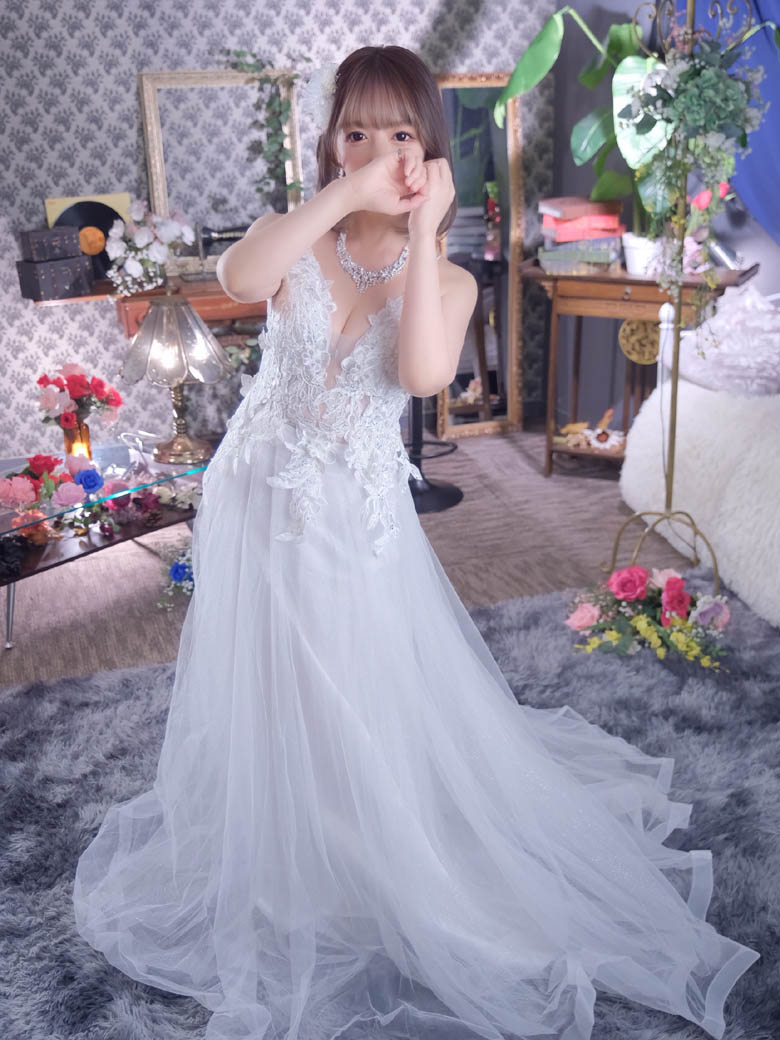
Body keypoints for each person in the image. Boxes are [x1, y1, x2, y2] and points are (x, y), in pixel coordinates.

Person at [72, 45, 760, 1040]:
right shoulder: (294, 239)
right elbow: (236, 273)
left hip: (352, 513)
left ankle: (366, 851)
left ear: (429, 152)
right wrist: (343, 193)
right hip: (259, 491)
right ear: (331, 145)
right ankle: (288, 846)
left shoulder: (449, 277)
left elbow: (424, 371)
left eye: (399, 134)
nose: (376, 152)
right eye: (354, 132)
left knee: (350, 675)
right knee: (275, 673)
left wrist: (427, 232)